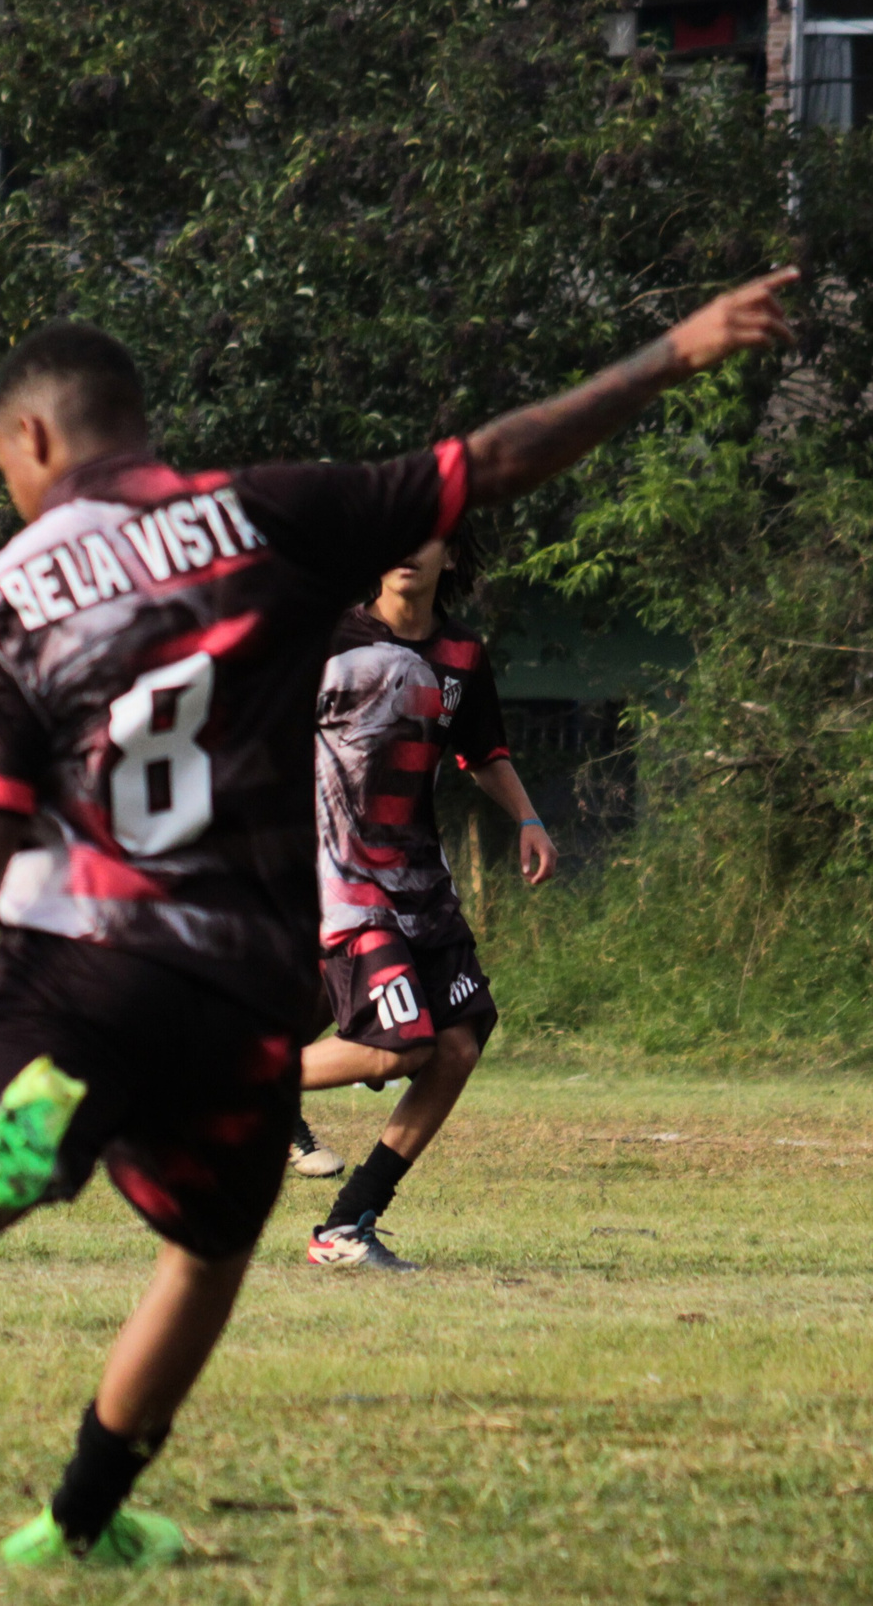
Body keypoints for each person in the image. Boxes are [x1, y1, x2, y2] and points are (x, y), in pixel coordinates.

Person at [0, 270, 796, 1570]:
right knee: (204, 1255)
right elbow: (494, 458)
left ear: (32, 439)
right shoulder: (268, 512)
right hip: (236, 978)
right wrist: (676, 349)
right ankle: (82, 1521)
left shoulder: (15, 585)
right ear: (139, 423)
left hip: (71, 959)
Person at [297, 533, 554, 1270]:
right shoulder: (325, 636)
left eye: (427, 534)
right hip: (343, 880)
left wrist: (529, 820)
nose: (407, 549)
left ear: (452, 554)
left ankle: (347, 1227)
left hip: (420, 879)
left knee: (458, 1044)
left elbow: (482, 750)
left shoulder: (463, 654)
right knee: (399, 1044)